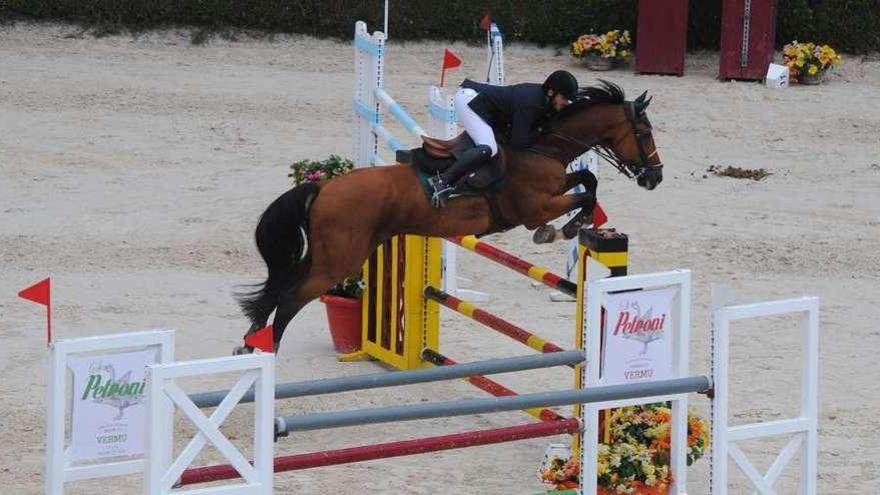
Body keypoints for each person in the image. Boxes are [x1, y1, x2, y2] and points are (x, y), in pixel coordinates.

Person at [427, 70, 579, 207]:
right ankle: (442, 182)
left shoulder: (544, 100)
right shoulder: (531, 103)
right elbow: (518, 142)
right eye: (564, 98)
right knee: (489, 148)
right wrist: (540, 131)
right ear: (551, 92)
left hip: (481, 103)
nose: (566, 102)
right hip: (470, 101)